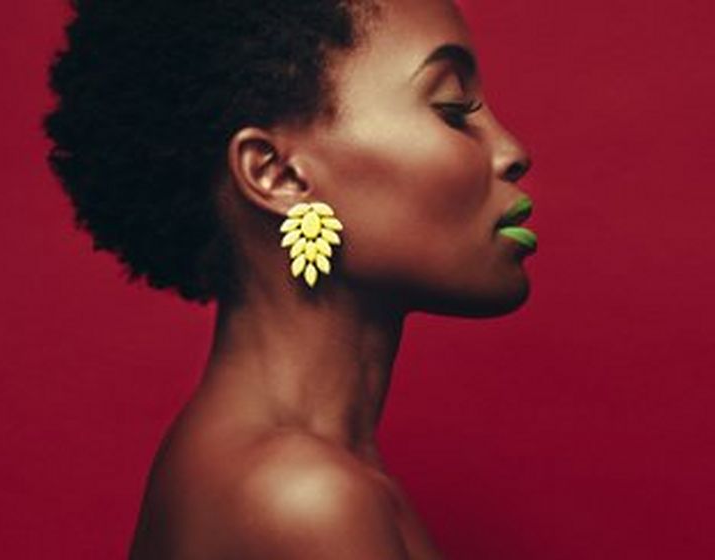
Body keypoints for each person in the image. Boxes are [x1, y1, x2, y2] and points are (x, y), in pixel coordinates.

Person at [43, 0, 535, 557]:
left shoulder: (261, 463)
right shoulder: (303, 498)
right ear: (279, 174)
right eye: (452, 107)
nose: (512, 152)